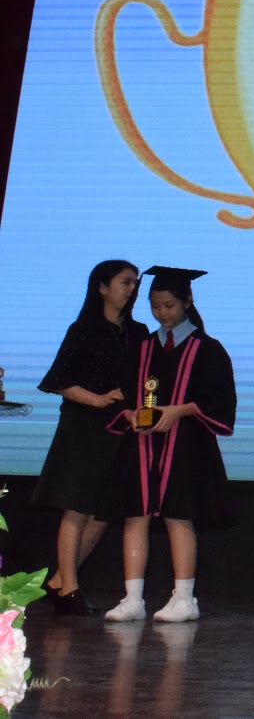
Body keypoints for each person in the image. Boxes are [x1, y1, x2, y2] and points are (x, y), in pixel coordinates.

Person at [103, 267, 237, 623]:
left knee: (179, 515)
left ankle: (184, 598)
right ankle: (133, 598)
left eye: (169, 305)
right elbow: (122, 394)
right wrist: (129, 413)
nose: (161, 313)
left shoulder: (207, 349)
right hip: (143, 445)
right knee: (135, 516)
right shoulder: (143, 348)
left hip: (185, 446)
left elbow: (220, 400)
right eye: (155, 306)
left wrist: (179, 410)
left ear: (187, 301)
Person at [33, 260, 147, 615]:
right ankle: (70, 588)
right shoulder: (84, 329)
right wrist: (97, 400)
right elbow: (58, 380)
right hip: (83, 428)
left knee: (104, 511)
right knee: (77, 507)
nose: (132, 289)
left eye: (135, 283)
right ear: (102, 286)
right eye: (125, 282)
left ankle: (59, 580)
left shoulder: (138, 331)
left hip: (121, 430)